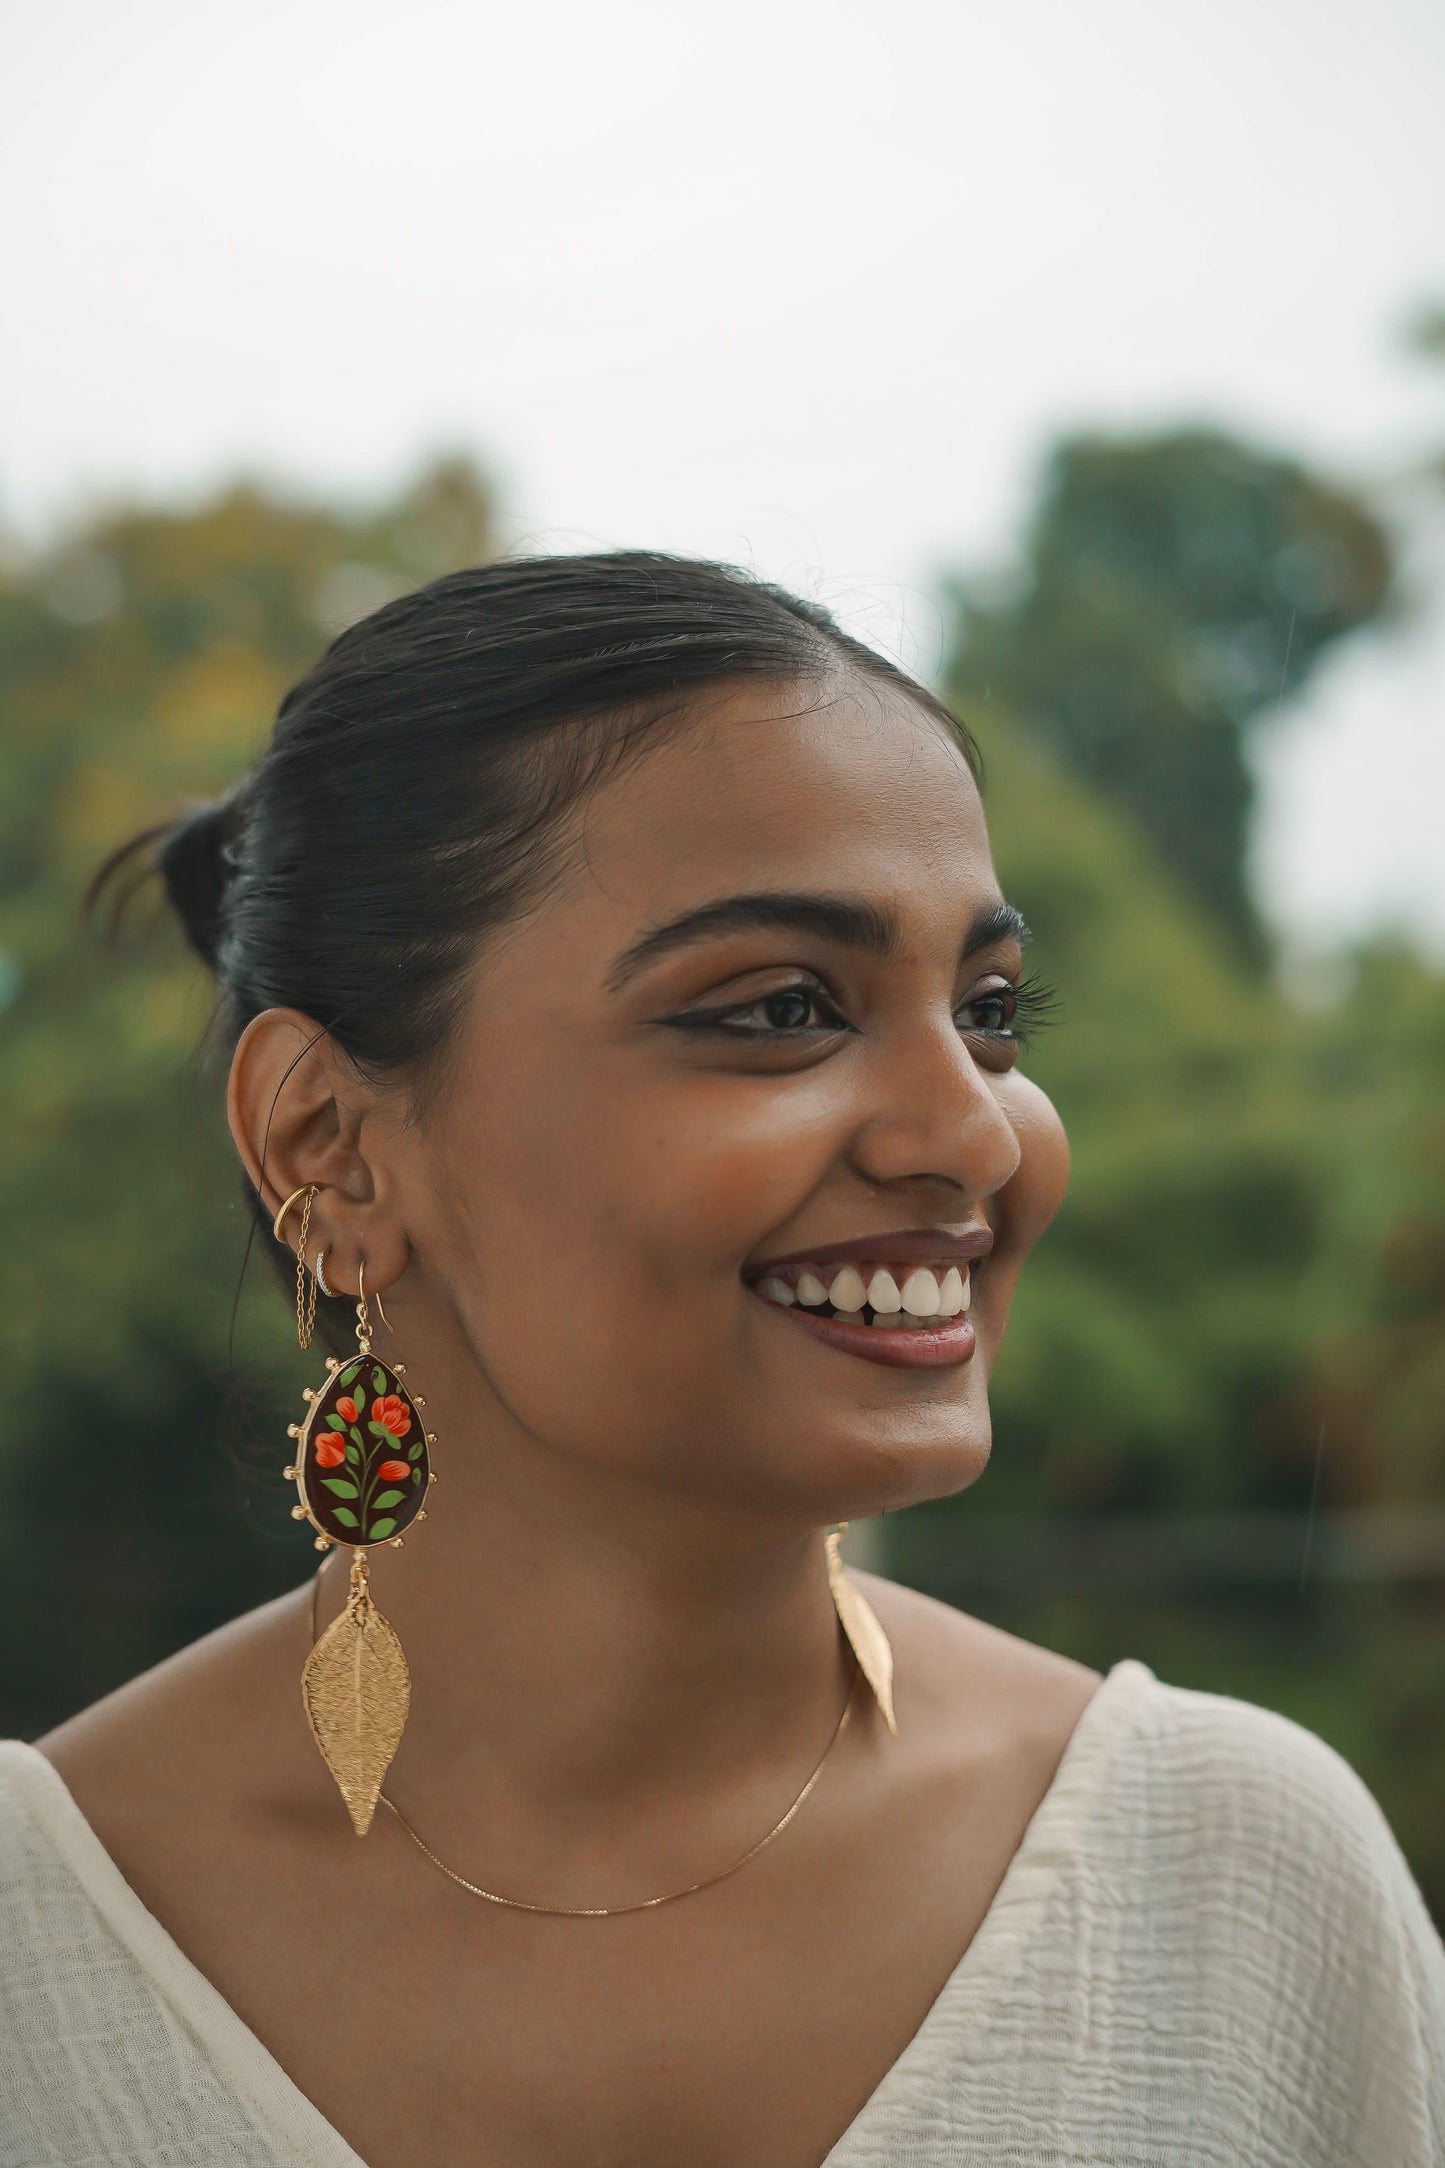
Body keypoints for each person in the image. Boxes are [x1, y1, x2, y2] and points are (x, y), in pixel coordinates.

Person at [1, 553, 1440, 2168]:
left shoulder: (1231, 1883)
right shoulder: (32, 1962)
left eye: (989, 1008)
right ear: (329, 1142)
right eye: (778, 1011)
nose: (973, 1131)